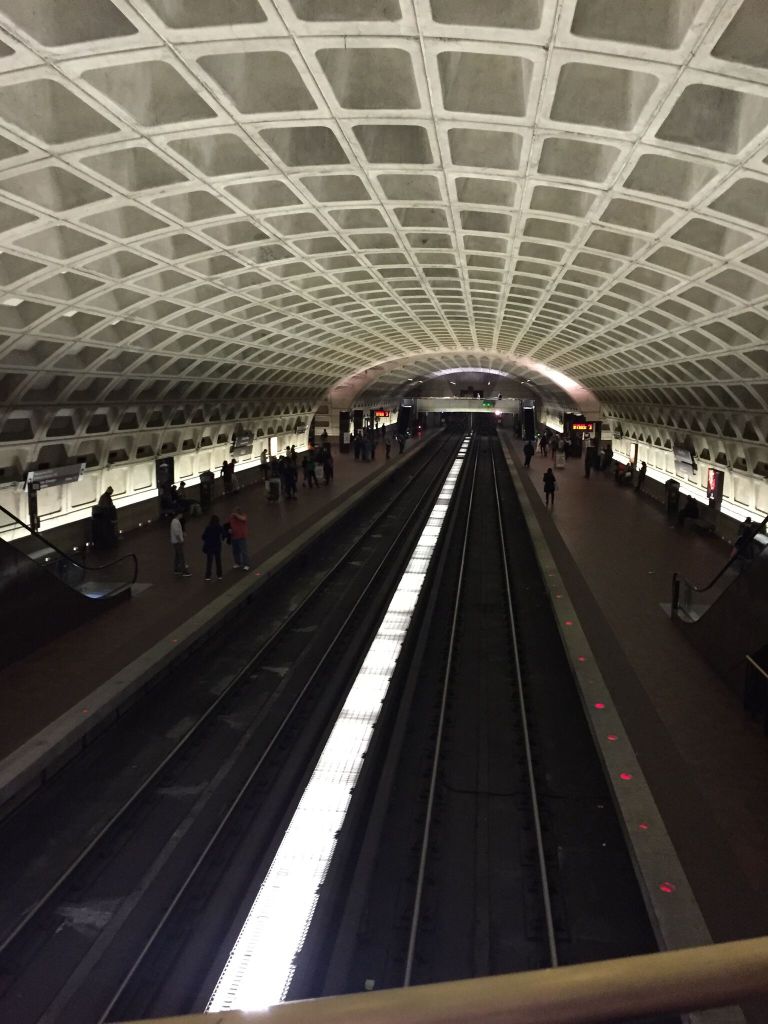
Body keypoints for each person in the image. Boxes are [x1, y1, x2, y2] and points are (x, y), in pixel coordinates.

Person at [202, 514, 225, 580]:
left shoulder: (208, 527)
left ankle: (208, 576)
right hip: (217, 546)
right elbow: (224, 534)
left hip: (209, 546)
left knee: (209, 561)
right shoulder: (219, 527)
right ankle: (219, 575)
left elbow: (203, 536)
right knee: (218, 560)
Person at [170, 512, 191, 577]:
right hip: (177, 542)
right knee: (181, 556)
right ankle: (184, 571)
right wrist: (180, 541)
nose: (182, 515)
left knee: (177, 556)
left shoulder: (175, 521)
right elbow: (177, 533)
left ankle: (176, 569)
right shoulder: (175, 522)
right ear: (178, 514)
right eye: (181, 514)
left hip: (176, 542)